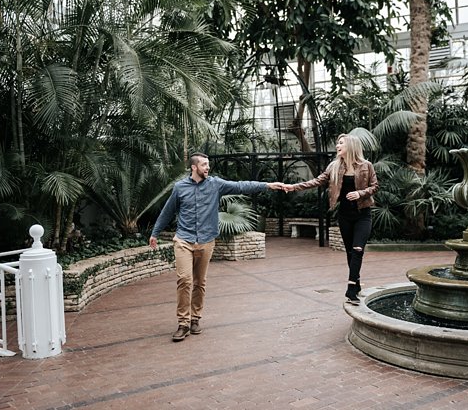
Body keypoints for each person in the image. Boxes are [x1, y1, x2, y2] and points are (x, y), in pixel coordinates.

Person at [146, 152, 288, 342]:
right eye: (204, 164)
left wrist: (267, 185)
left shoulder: (215, 184)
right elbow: (167, 212)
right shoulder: (180, 188)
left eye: (208, 164)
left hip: (206, 240)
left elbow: (241, 186)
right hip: (184, 240)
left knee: (200, 282)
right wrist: (155, 233)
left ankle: (195, 318)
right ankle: (183, 323)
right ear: (194, 167)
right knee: (184, 280)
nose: (208, 167)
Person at [275, 134, 379, 304]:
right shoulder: (334, 167)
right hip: (345, 215)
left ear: (351, 146)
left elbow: (375, 186)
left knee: (358, 248)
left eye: (341, 143)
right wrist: (294, 187)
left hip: (363, 214)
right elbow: (316, 181)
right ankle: (357, 282)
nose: (337, 146)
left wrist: (360, 193)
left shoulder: (366, 166)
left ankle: (351, 287)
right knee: (351, 252)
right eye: (337, 143)